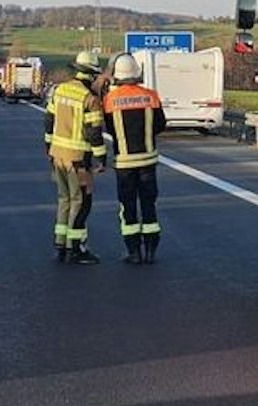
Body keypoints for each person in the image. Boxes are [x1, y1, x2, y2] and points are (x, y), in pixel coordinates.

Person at [102, 52, 167, 264]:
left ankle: (133, 252)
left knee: (128, 206)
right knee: (149, 204)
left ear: (117, 75)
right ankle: (151, 250)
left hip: (125, 163)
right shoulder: (151, 96)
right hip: (148, 161)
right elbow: (160, 125)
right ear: (137, 73)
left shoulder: (110, 100)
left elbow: (109, 128)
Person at [44, 50, 107, 264]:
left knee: (64, 200)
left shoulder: (59, 90)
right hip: (78, 160)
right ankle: (75, 248)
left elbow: (49, 121)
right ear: (90, 75)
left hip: (57, 156)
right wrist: (101, 159)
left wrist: (48, 148)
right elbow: (94, 133)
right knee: (80, 202)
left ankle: (60, 244)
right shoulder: (90, 99)